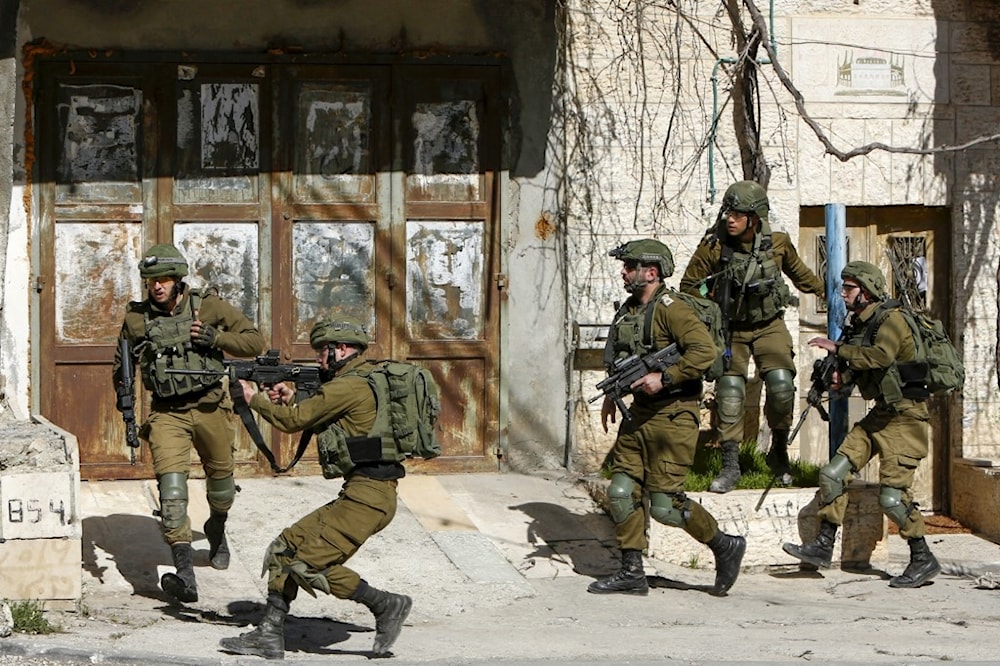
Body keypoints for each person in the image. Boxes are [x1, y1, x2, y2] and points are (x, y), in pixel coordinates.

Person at [218, 317, 412, 660]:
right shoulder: (358, 382)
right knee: (283, 549)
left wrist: (254, 399)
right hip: (360, 493)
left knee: (309, 566)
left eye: (324, 351)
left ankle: (386, 604)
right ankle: (269, 634)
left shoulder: (347, 386)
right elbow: (329, 414)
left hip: (370, 497)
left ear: (341, 350)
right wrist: (292, 396)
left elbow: (293, 422)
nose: (319, 358)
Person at [589, 239, 746, 597]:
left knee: (664, 505)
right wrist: (613, 397)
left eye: (630, 266)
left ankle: (724, 545)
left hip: (673, 416)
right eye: (625, 265)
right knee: (621, 490)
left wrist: (666, 377)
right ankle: (631, 571)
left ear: (652, 272)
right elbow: (625, 360)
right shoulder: (630, 310)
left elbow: (705, 351)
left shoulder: (672, 309)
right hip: (639, 415)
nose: (624, 271)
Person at [112, 243, 265, 603]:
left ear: (178, 280)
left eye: (164, 279)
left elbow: (255, 341)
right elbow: (122, 368)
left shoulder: (206, 306)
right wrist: (127, 410)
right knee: (172, 494)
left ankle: (217, 526)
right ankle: (184, 573)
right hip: (167, 412)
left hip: (211, 406)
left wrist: (217, 338)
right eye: (151, 281)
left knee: (222, 488)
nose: (157, 287)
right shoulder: (136, 319)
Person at [782, 261, 941, 588]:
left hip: (906, 418)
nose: (844, 293)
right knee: (832, 474)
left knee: (892, 499)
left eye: (849, 288)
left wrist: (837, 347)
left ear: (866, 291)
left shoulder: (892, 320)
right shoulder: (862, 324)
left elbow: (881, 357)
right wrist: (838, 378)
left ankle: (923, 558)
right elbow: (864, 366)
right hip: (881, 415)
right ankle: (823, 547)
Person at [680, 180, 825, 493]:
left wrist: (834, 295)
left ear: (755, 217)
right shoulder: (714, 246)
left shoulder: (778, 243)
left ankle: (779, 453)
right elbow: (689, 287)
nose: (730, 218)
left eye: (738, 213)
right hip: (730, 328)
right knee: (730, 392)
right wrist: (712, 306)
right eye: (728, 211)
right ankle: (731, 464)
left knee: (783, 386)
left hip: (769, 324)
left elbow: (803, 277)